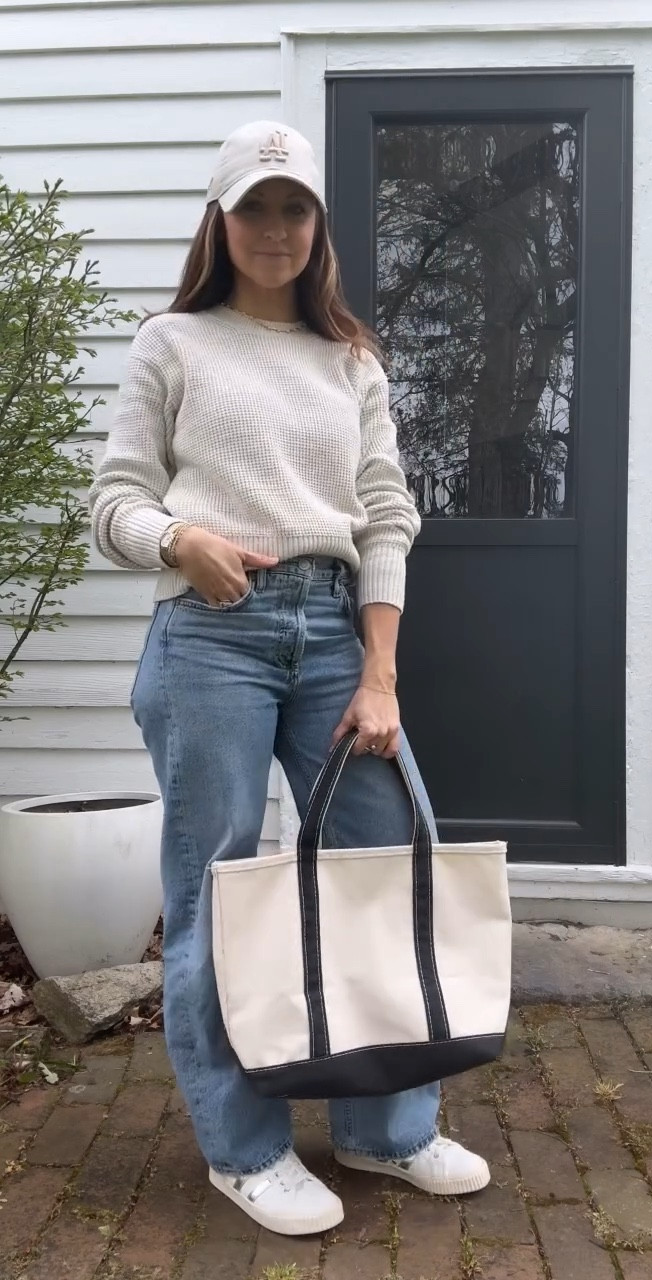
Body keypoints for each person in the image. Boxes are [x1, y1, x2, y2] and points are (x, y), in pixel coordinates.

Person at [89, 119, 489, 1237]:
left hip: (334, 635)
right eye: (254, 207)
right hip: (209, 637)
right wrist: (180, 541)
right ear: (220, 221)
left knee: (383, 866)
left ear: (318, 225)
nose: (275, 228)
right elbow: (114, 502)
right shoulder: (173, 342)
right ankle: (246, 1147)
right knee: (215, 889)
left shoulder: (350, 358)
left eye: (294, 208)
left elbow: (387, 515)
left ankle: (385, 1128)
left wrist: (381, 671)